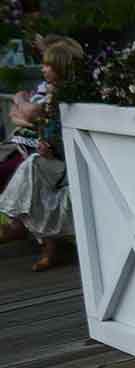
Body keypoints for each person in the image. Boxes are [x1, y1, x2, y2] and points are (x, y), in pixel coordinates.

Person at [0, 39, 82, 272]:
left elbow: (68, 135)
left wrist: (53, 149)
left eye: (48, 65)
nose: (43, 69)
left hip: (70, 161)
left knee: (33, 166)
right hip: (54, 158)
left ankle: (16, 225)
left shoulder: (68, 97)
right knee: (34, 173)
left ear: (61, 68)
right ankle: (43, 245)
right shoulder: (48, 94)